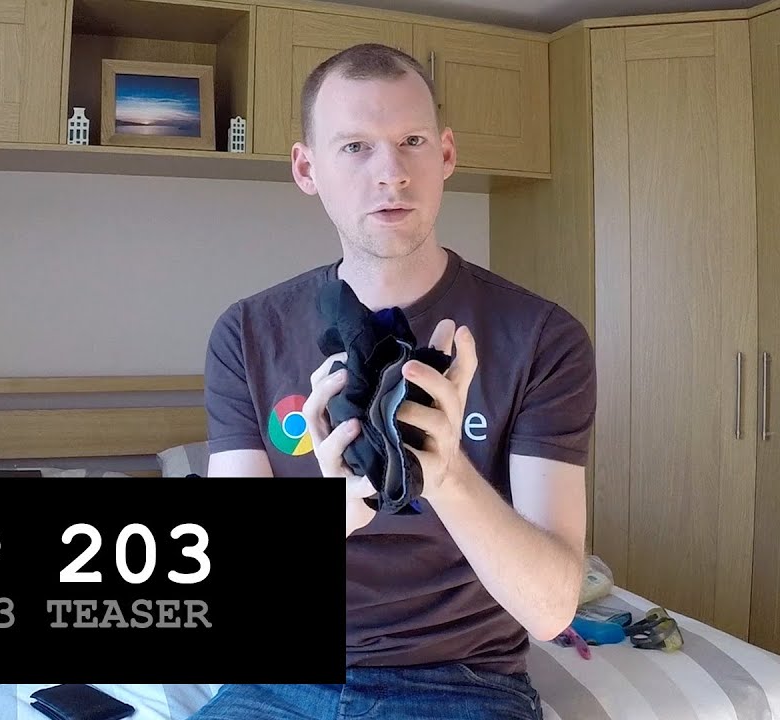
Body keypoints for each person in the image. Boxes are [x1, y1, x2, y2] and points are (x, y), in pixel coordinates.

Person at [194, 42, 596, 720]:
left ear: (445, 155)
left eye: (412, 141)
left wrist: (447, 473)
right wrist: (343, 505)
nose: (391, 174)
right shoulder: (247, 334)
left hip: (465, 683)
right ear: (307, 168)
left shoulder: (541, 336)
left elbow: (552, 609)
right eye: (355, 147)